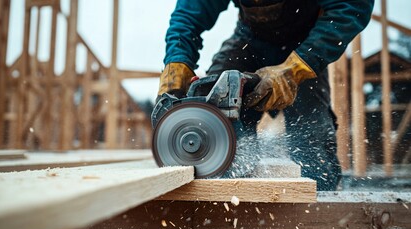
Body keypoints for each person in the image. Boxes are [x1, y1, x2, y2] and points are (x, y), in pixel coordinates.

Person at [156, 0, 374, 190]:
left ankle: (320, 201)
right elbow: (188, 13)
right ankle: (224, 190)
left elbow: (352, 6)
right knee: (214, 101)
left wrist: (294, 69)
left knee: (312, 136)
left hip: (307, 44)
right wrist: (178, 60)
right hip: (249, 38)